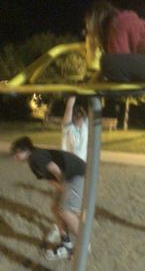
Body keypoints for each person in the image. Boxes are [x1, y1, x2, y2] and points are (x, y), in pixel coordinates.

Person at [11, 136, 85, 260]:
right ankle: (66, 244)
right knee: (55, 208)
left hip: (77, 174)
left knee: (65, 211)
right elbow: (50, 179)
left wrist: (67, 189)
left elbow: (56, 170)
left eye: (16, 152)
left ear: (25, 150)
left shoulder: (36, 156)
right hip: (68, 177)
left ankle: (84, 244)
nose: (14, 156)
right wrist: (63, 190)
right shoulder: (32, 162)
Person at [85, 0, 145, 83]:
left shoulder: (116, 24)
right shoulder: (122, 20)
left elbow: (119, 57)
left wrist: (101, 73)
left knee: (106, 62)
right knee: (107, 63)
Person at [47, 96, 88, 244]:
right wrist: (71, 100)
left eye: (80, 118)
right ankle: (58, 229)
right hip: (64, 171)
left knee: (72, 207)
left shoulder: (86, 129)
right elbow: (68, 115)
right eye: (75, 118)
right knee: (56, 205)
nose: (77, 121)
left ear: (84, 118)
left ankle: (83, 239)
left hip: (77, 173)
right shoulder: (68, 128)